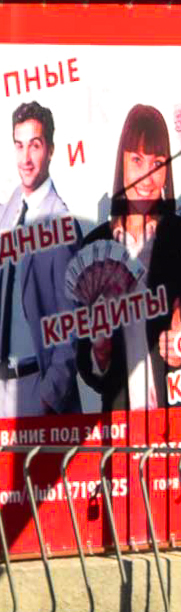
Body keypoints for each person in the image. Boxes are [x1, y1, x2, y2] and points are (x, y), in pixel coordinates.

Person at [73, 104, 181, 416]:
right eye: (137, 160)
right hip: (122, 425)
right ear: (121, 164)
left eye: (157, 162)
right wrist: (100, 352)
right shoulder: (94, 247)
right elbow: (85, 366)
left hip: (179, 421)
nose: (147, 176)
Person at [0, 100, 78, 424]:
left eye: (34, 145)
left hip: (36, 387)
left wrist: (49, 395)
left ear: (50, 150)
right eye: (19, 146)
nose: (26, 159)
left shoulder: (60, 222)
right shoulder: (11, 207)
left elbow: (72, 322)